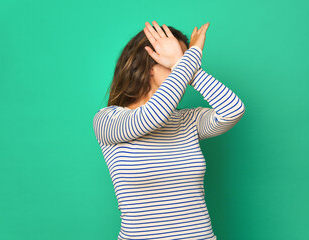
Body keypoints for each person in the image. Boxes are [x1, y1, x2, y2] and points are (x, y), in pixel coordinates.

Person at [93, 21, 246, 240]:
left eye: (184, 63)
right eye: (175, 61)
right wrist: (191, 57)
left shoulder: (187, 120)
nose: (182, 67)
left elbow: (233, 110)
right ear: (148, 66)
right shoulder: (108, 120)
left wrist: (189, 67)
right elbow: (151, 117)